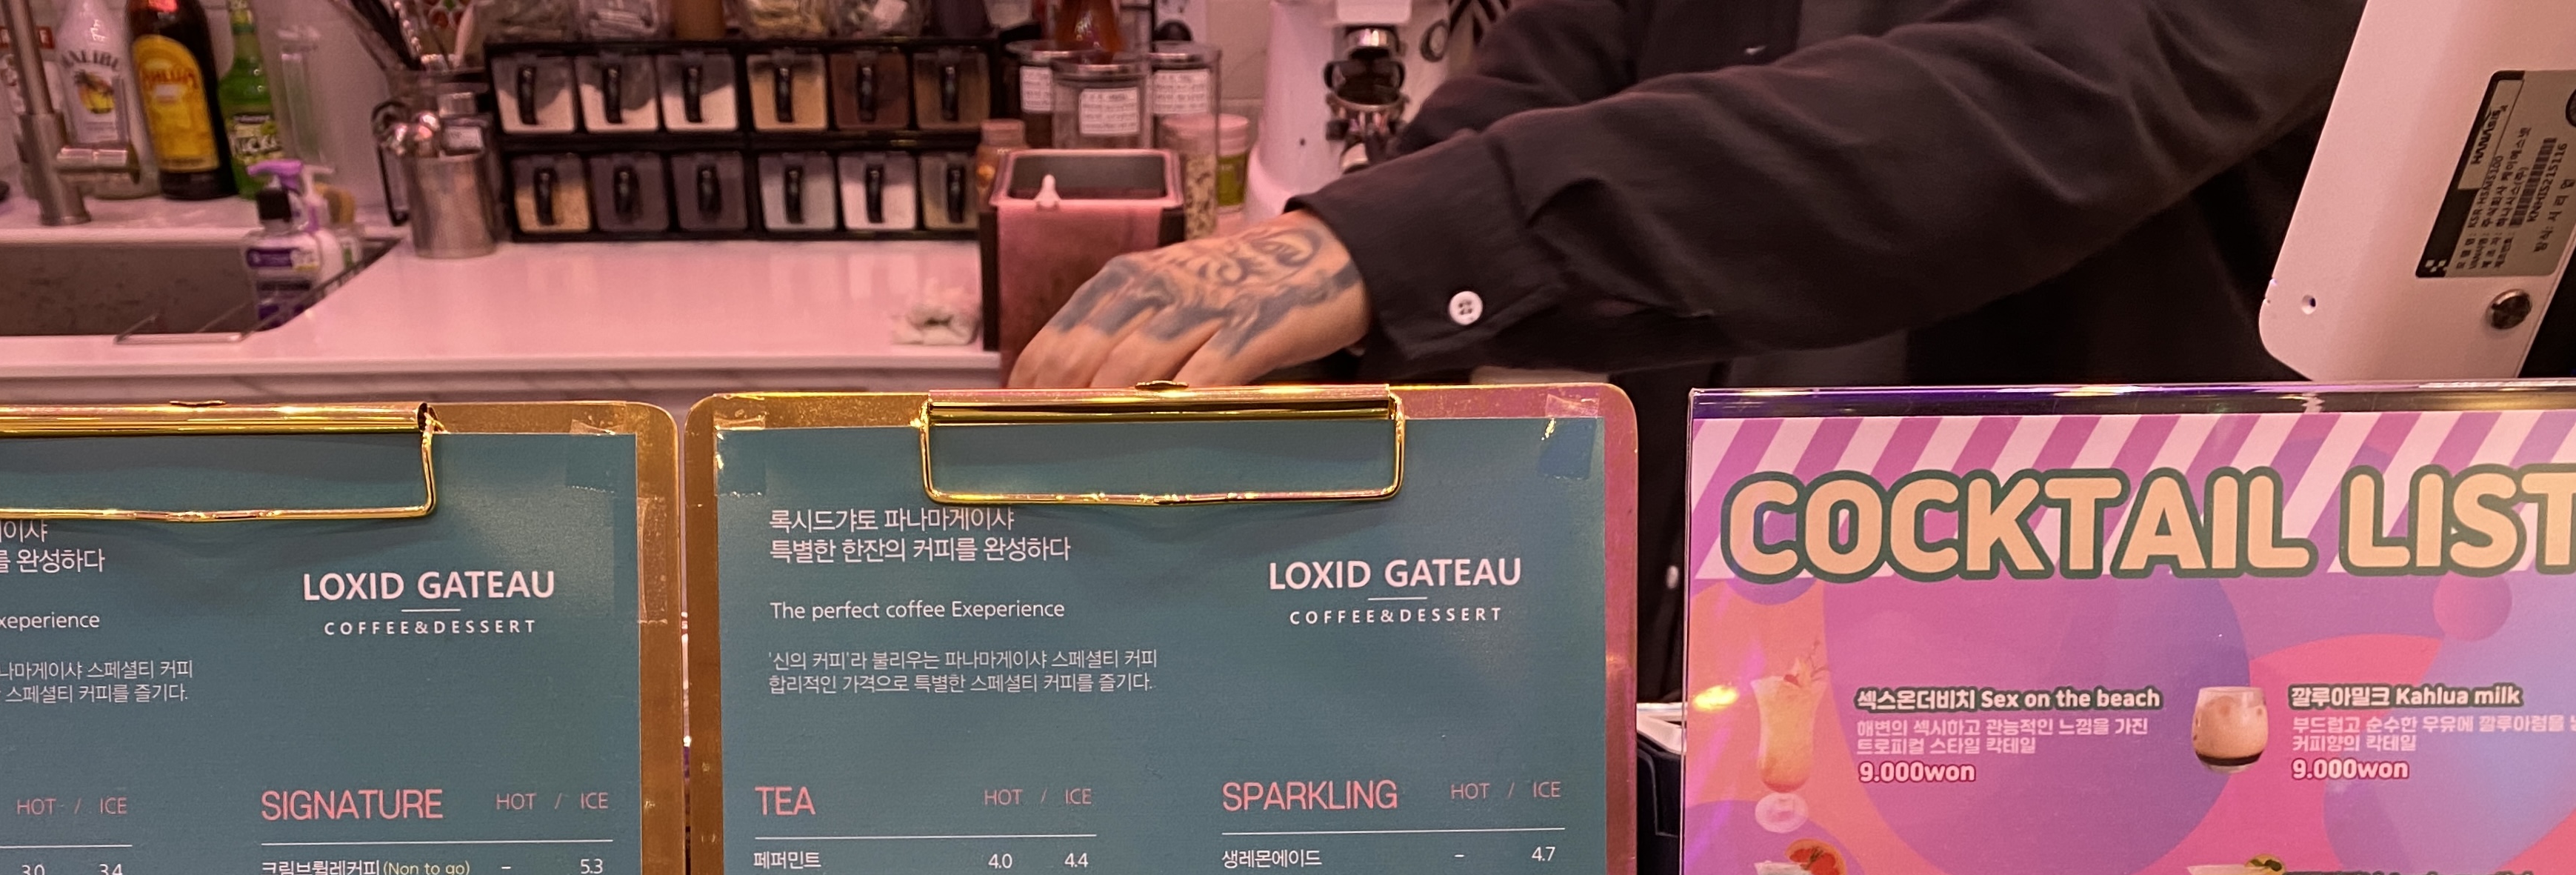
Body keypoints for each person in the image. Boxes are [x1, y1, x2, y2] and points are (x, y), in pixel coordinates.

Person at [1010, 0, 2364, 691]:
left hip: (2115, 676)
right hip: (1715, 697)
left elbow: (2029, 112)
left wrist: (1395, 248)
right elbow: (1528, 99)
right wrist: (1281, 340)